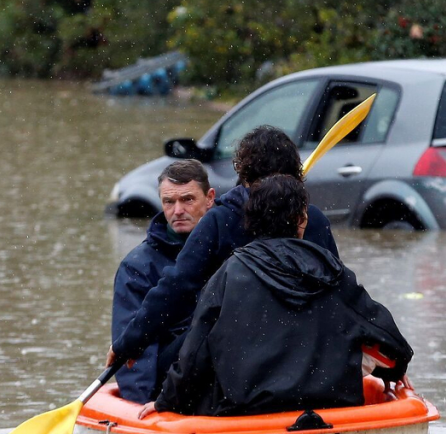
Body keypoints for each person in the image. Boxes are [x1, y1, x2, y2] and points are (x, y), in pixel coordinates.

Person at [140, 174, 413, 417]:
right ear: (302, 220)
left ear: (250, 222)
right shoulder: (334, 272)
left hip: (246, 409)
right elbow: (393, 344)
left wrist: (168, 402)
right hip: (329, 406)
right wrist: (393, 371)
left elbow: (194, 354)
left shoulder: (228, 274)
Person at [107, 125, 339, 380]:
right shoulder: (313, 219)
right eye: (169, 202)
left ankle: (164, 397)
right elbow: (337, 290)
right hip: (304, 351)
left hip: (233, 355)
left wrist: (129, 343)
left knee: (177, 352)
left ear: (243, 171)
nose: (178, 210)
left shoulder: (220, 220)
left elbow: (177, 288)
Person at [111, 159, 215, 403]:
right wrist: (144, 405)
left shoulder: (230, 248)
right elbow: (134, 356)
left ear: (209, 198)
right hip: (173, 385)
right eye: (169, 202)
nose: (177, 210)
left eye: (187, 200)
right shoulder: (137, 266)